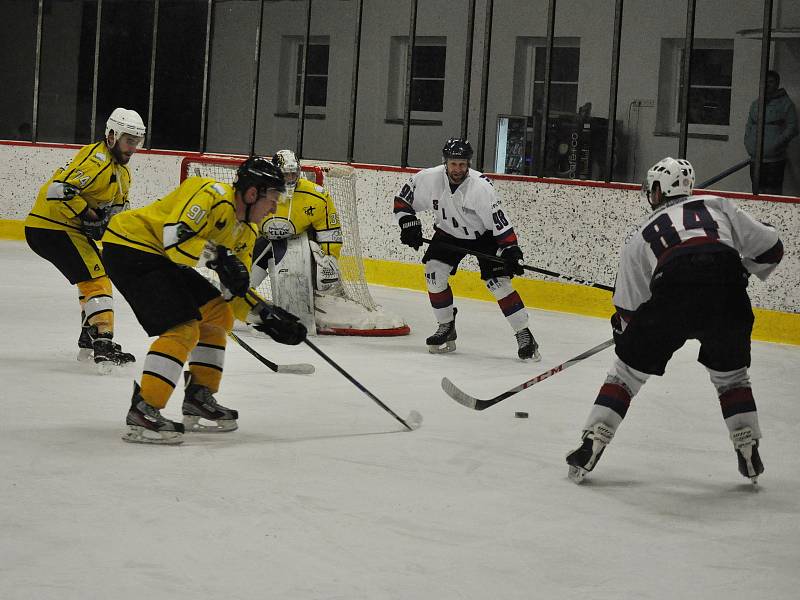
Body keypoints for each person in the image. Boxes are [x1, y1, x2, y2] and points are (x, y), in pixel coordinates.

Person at [565, 157, 783, 485]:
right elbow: (772, 249)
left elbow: (628, 309)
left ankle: (593, 441)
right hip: (728, 293)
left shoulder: (640, 234)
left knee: (625, 375)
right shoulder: (717, 204)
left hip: (672, 293)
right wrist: (738, 272)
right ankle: (748, 445)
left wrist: (627, 332)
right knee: (732, 378)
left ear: (658, 189)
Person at [101, 157, 308, 445]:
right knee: (183, 328)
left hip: (162, 258)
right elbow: (174, 240)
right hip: (128, 247)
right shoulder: (209, 195)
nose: (274, 206)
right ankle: (144, 408)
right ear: (251, 194)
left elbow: (236, 290)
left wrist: (266, 317)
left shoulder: (246, 231)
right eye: (272, 197)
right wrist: (218, 258)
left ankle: (199, 396)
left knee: (219, 315)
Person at [393, 137, 539, 360]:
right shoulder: (429, 179)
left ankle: (524, 333)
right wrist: (408, 223)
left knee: (498, 284)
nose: (457, 169)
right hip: (448, 234)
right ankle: (446, 326)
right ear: (445, 162)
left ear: (468, 164)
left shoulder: (481, 188)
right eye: (453, 164)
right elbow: (402, 202)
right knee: (433, 273)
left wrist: (511, 250)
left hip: (483, 237)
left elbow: (500, 223)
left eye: (462, 164)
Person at [24, 107, 145, 372]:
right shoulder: (96, 160)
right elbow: (58, 189)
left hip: (62, 228)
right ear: (112, 136)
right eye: (129, 140)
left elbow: (114, 216)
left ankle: (90, 335)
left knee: (92, 273)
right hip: (51, 226)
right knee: (96, 278)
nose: (132, 148)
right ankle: (102, 340)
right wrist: (88, 213)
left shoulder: (122, 174)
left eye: (137, 142)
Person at [251, 149, 344, 296]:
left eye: (293, 173)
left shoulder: (317, 196)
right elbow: (242, 227)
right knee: (242, 279)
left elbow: (329, 231)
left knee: (320, 273)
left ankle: (312, 296)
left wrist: (329, 257)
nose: (290, 178)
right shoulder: (256, 193)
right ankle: (245, 296)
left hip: (300, 247)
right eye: (285, 174)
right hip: (264, 242)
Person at [744, 70, 798, 195]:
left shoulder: (785, 104)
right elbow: (749, 125)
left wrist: (776, 144)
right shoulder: (756, 104)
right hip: (755, 159)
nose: (768, 84)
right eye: (765, 82)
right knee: (757, 192)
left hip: (775, 161)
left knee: (772, 194)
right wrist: (748, 142)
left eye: (771, 82)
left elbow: (793, 127)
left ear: (777, 84)